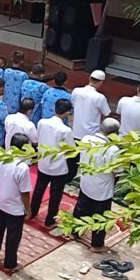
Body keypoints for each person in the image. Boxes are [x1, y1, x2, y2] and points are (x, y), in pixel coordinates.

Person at [0, 133, 32, 272]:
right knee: (13, 236)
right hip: (15, 207)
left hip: (0, 201)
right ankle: (10, 264)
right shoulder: (22, 167)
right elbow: (24, 192)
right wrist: (28, 209)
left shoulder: (1, 158)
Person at [73, 118, 121, 252]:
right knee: (101, 217)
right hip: (102, 188)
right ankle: (97, 244)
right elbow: (117, 171)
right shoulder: (113, 150)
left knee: (81, 207)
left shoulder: (86, 139)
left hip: (86, 181)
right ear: (114, 134)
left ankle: (74, 232)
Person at [32, 99, 75, 227]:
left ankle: (32, 211)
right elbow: (70, 150)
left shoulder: (42, 122)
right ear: (67, 113)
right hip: (58, 167)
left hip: (43, 162)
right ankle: (50, 219)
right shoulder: (65, 130)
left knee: (39, 190)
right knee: (55, 195)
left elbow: (38, 138)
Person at [71, 70, 111, 140]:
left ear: (89, 78)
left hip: (76, 131)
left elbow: (72, 104)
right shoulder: (100, 97)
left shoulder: (76, 91)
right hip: (91, 134)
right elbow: (107, 113)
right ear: (101, 82)